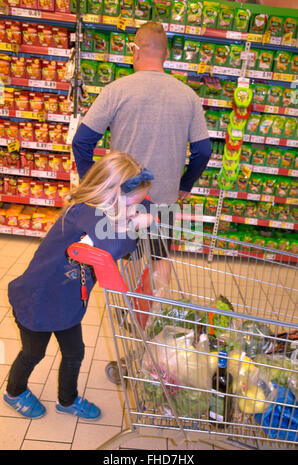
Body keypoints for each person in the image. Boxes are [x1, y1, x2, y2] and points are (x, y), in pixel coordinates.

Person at [4, 151, 154, 420]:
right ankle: (14, 391)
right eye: (130, 206)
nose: (133, 212)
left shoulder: (106, 211)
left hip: (68, 300)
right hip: (38, 299)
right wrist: (135, 226)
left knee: (75, 352)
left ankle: (67, 399)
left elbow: (131, 234)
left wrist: (136, 216)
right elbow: (112, 247)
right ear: (110, 194)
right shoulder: (85, 211)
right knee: (33, 352)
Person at [72, 21, 212, 286]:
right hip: (166, 198)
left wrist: (95, 185)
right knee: (160, 257)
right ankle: (158, 315)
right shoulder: (188, 95)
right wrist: (185, 183)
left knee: (128, 257)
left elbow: (82, 141)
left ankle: (132, 317)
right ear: (166, 55)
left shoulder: (116, 90)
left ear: (135, 52)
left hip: (126, 199)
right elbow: (203, 150)